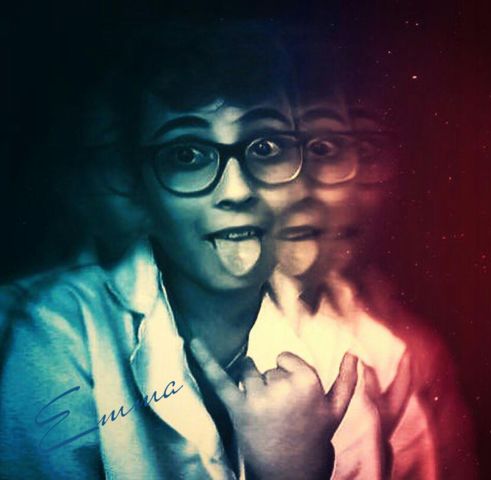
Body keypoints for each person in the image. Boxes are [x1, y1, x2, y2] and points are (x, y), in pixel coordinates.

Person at [0, 23, 435, 479]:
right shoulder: (48, 338)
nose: (237, 190)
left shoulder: (372, 356)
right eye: (187, 155)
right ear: (136, 184)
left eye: (265, 147)